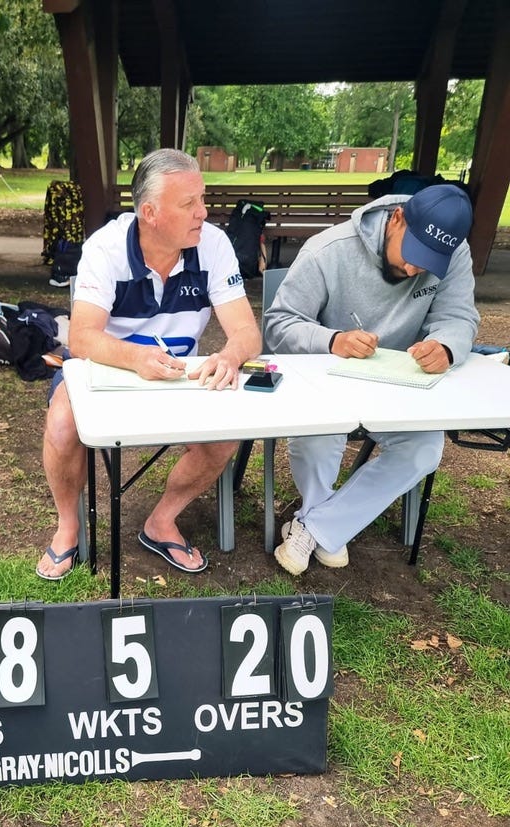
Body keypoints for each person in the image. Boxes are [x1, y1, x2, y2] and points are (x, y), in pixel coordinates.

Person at [36, 148, 262, 580]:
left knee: (224, 436)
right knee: (63, 424)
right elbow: (82, 338)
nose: (203, 212)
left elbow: (247, 333)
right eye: (189, 203)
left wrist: (230, 355)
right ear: (150, 213)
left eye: (202, 199)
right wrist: (135, 358)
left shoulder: (213, 245)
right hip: (106, 366)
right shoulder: (106, 248)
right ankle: (67, 526)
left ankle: (161, 521)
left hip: (176, 373)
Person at [264, 182, 479, 575]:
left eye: (427, 264)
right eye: (413, 255)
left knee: (424, 448)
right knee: (318, 437)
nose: (414, 269)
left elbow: (459, 317)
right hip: (326, 380)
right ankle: (328, 526)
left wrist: (447, 346)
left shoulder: (453, 252)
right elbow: (279, 325)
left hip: (399, 384)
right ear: (396, 219)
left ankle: (316, 527)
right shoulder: (328, 250)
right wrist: (333, 340)